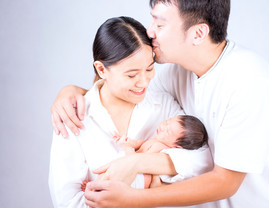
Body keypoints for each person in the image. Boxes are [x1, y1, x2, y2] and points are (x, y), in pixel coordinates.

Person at [51, 0, 269, 208]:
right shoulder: (176, 70)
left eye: (160, 24)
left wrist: (131, 197)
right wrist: (71, 92)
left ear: (198, 33)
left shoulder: (249, 83)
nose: (150, 32)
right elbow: (125, 89)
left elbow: (224, 181)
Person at [48, 16, 211, 208]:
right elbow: (66, 200)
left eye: (149, 69)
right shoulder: (72, 116)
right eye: (131, 75)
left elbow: (203, 159)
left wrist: (138, 162)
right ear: (101, 69)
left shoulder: (163, 104)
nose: (143, 82)